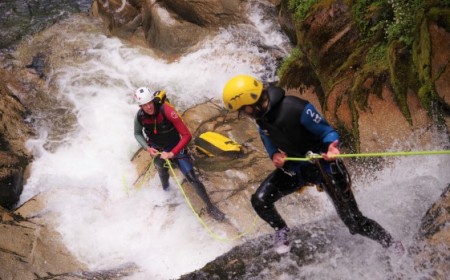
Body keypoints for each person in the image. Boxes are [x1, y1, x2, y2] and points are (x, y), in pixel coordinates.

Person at [222, 74, 403, 254]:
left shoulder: (296, 107)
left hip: (324, 166)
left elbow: (327, 132)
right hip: (297, 168)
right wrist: (275, 155)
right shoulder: (262, 120)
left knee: (354, 223)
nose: (244, 115)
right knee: (260, 201)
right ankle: (281, 230)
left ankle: (392, 244)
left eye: (243, 110)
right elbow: (267, 139)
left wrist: (332, 147)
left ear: (251, 104)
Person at [133, 87, 225, 221]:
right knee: (161, 169)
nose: (148, 107)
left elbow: (186, 135)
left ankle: (210, 206)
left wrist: (172, 153)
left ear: (153, 100)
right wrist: (147, 148)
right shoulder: (139, 116)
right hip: (157, 148)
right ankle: (166, 191)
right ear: (140, 106)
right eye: (144, 105)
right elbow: (137, 133)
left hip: (175, 147)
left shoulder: (167, 111)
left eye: (150, 103)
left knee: (193, 178)